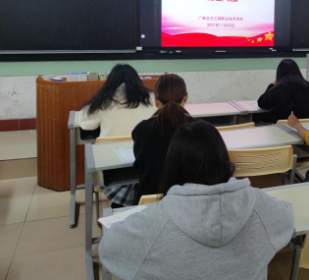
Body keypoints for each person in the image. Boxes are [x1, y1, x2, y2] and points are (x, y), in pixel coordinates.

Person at [99, 121, 294, 280]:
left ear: (172, 166)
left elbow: (108, 249)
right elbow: (288, 216)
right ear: (223, 158)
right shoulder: (258, 204)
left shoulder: (154, 222)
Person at [132, 73, 197, 202]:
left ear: (156, 101)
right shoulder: (202, 129)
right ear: (185, 97)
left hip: (151, 204)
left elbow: (140, 167)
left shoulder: (141, 130)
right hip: (191, 203)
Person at [76, 64, 156, 137]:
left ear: (110, 82)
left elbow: (86, 124)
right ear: (137, 80)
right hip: (143, 146)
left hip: (110, 146)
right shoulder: (151, 98)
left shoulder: (104, 101)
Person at [257, 59, 309, 123]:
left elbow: (261, 103)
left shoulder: (277, 90)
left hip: (284, 126)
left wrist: (272, 85)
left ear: (279, 74)